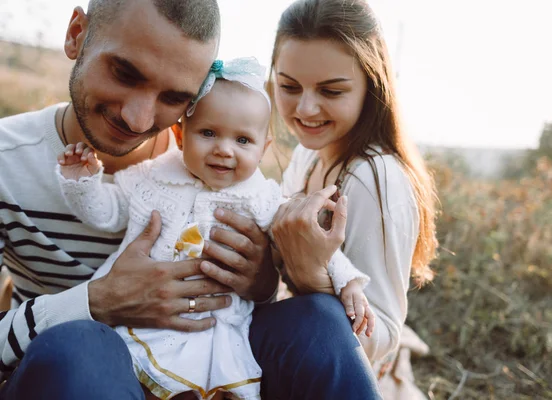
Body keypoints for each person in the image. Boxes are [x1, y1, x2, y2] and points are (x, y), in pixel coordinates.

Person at [0, 0, 383, 399]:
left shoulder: (221, 172)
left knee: (318, 320)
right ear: (76, 34)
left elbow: (267, 289)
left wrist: (262, 282)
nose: (139, 118)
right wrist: (95, 302)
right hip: (78, 374)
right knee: (76, 349)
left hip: (211, 349)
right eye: (124, 73)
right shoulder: (6, 160)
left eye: (173, 97)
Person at [266, 0, 438, 398]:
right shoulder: (308, 155)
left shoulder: (373, 179)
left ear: (371, 86)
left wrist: (311, 278)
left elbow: (382, 337)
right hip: (302, 351)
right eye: (289, 86)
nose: (305, 109)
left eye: (331, 91)